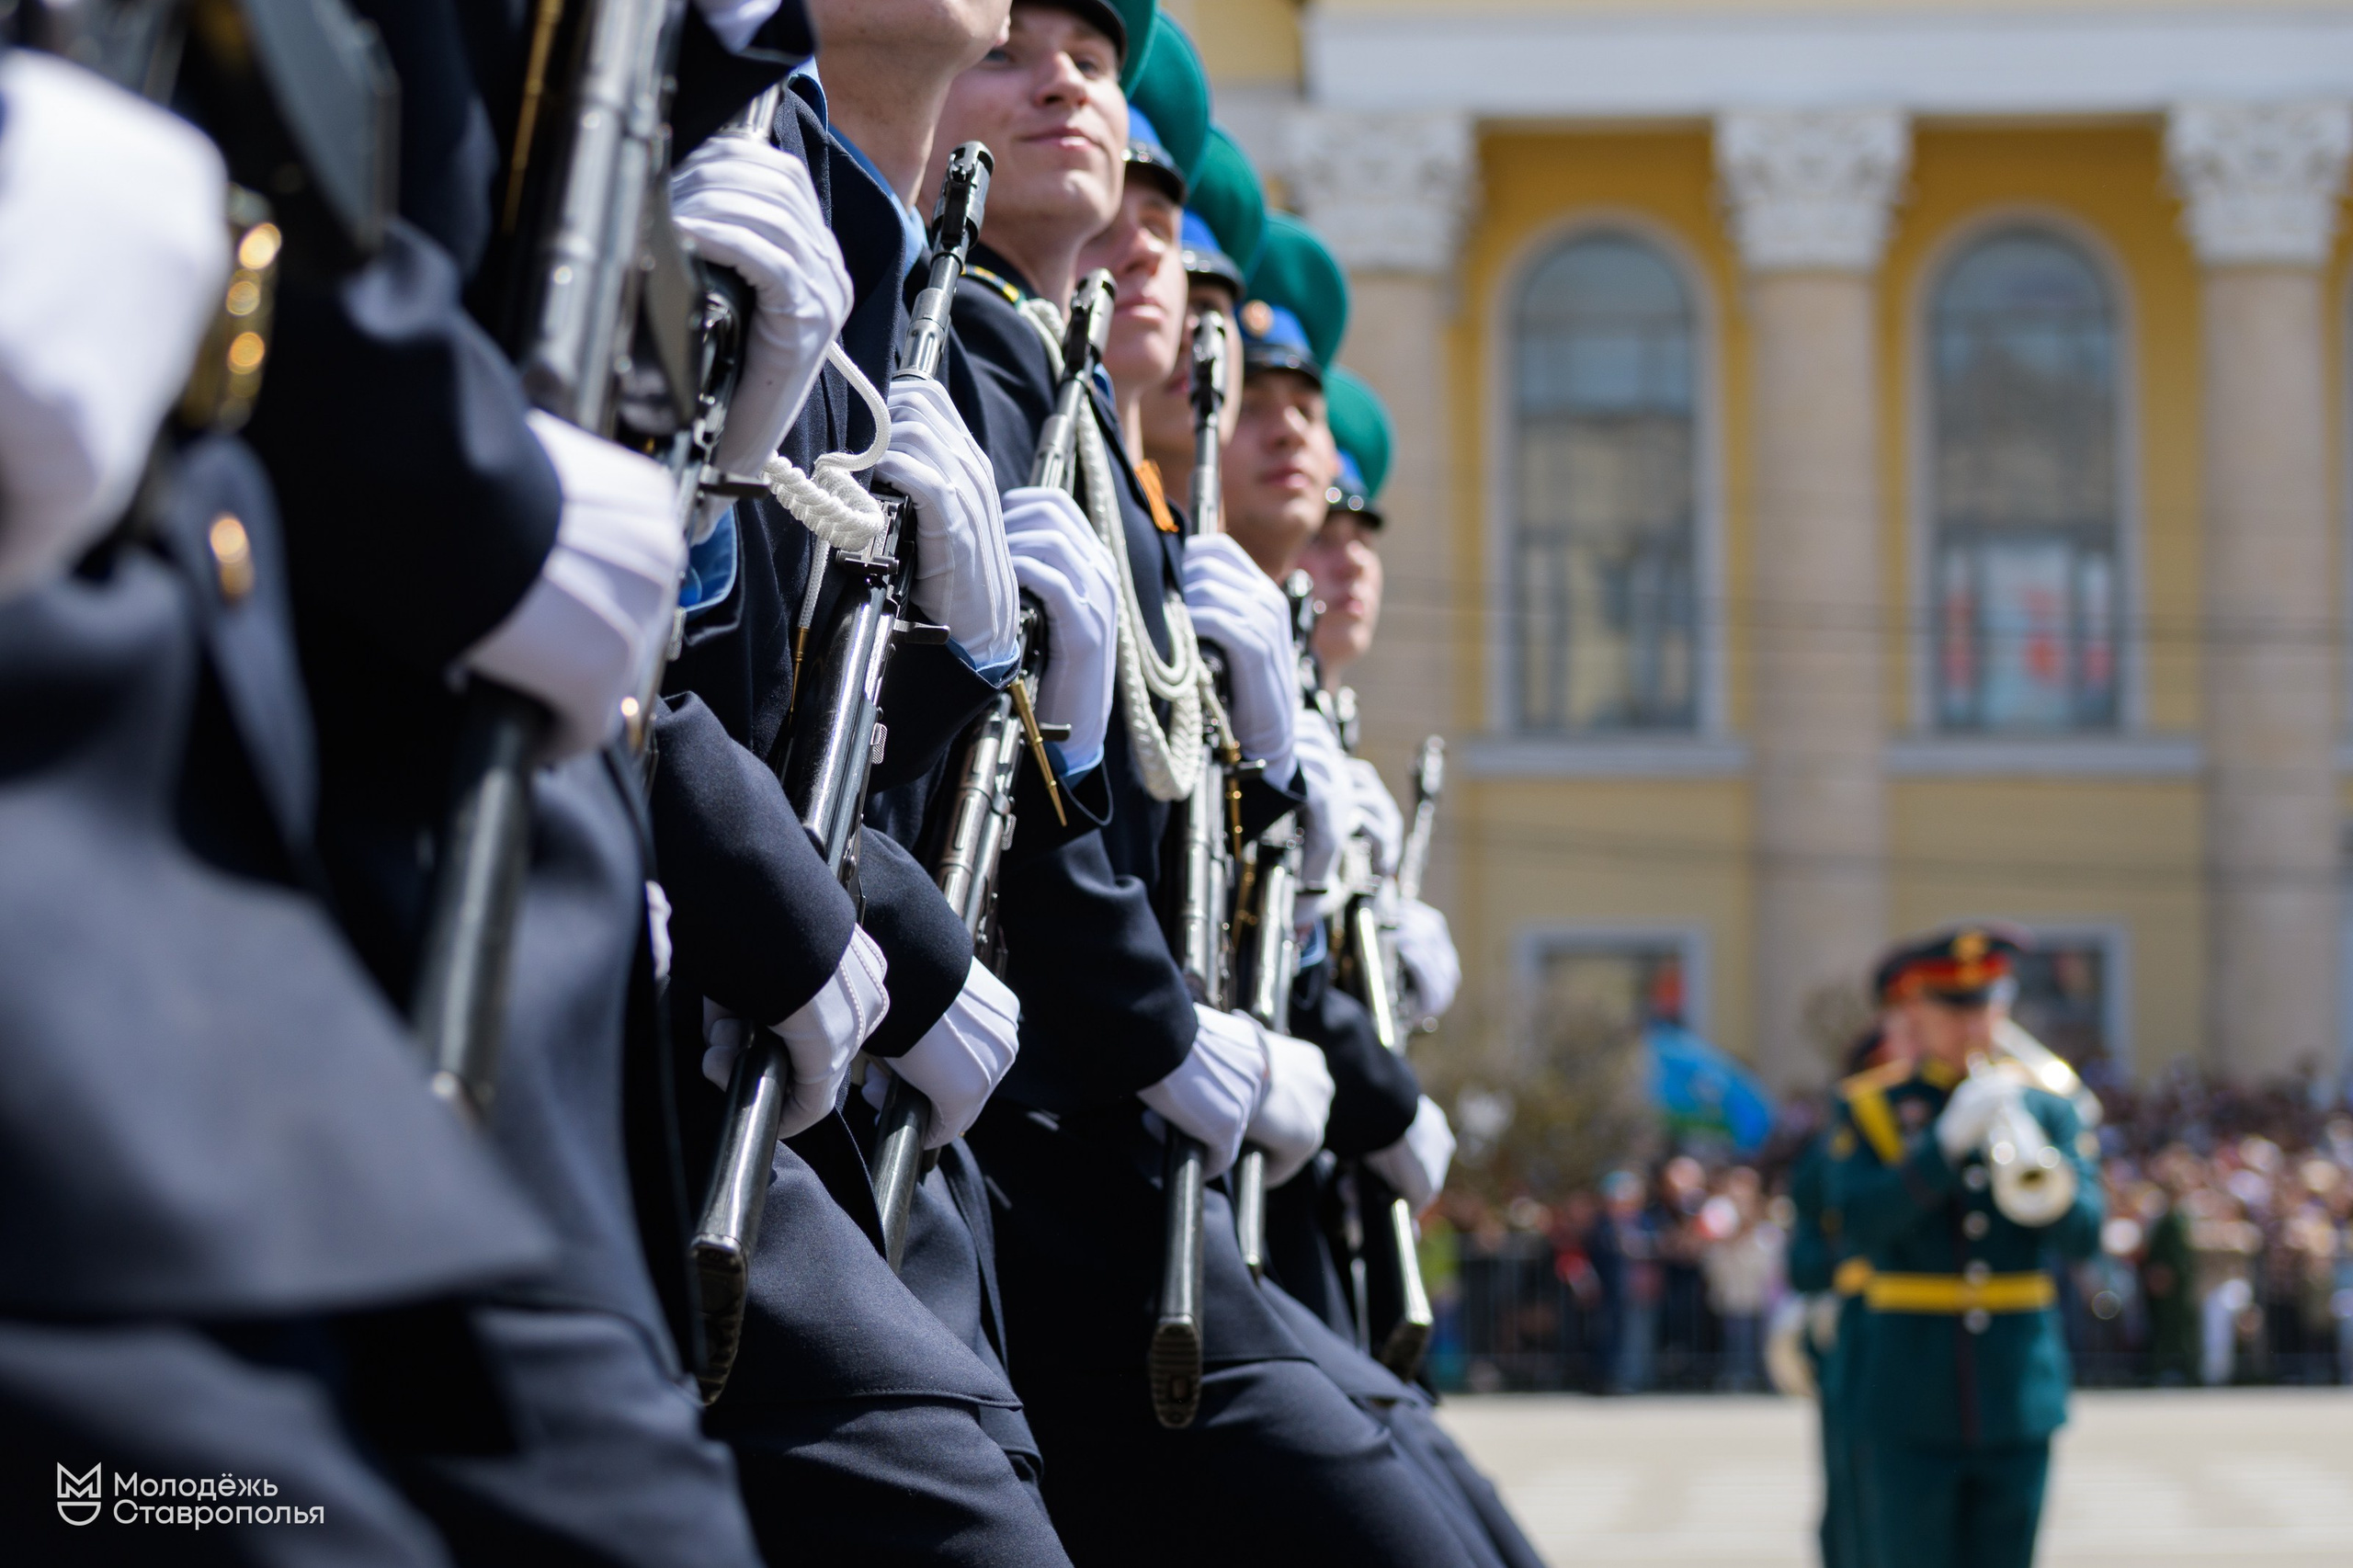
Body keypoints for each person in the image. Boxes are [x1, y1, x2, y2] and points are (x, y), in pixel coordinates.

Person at [932, 7, 1495, 1563]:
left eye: (1174, 222)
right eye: (1149, 221)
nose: (1154, 252)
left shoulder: (1074, 432)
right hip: (1023, 1146)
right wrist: (1221, 1042)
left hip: (1115, 1155)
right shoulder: (977, 379)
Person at [1829, 928, 2104, 1568]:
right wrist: (1943, 1149)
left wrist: (2042, 1164)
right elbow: (1860, 1224)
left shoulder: (2048, 1109)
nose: (1971, 1025)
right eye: (1954, 1009)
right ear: (1916, 1013)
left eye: (1983, 1007)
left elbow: (2086, 1234)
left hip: (2015, 1392)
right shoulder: (1874, 1108)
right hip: (1908, 1395)